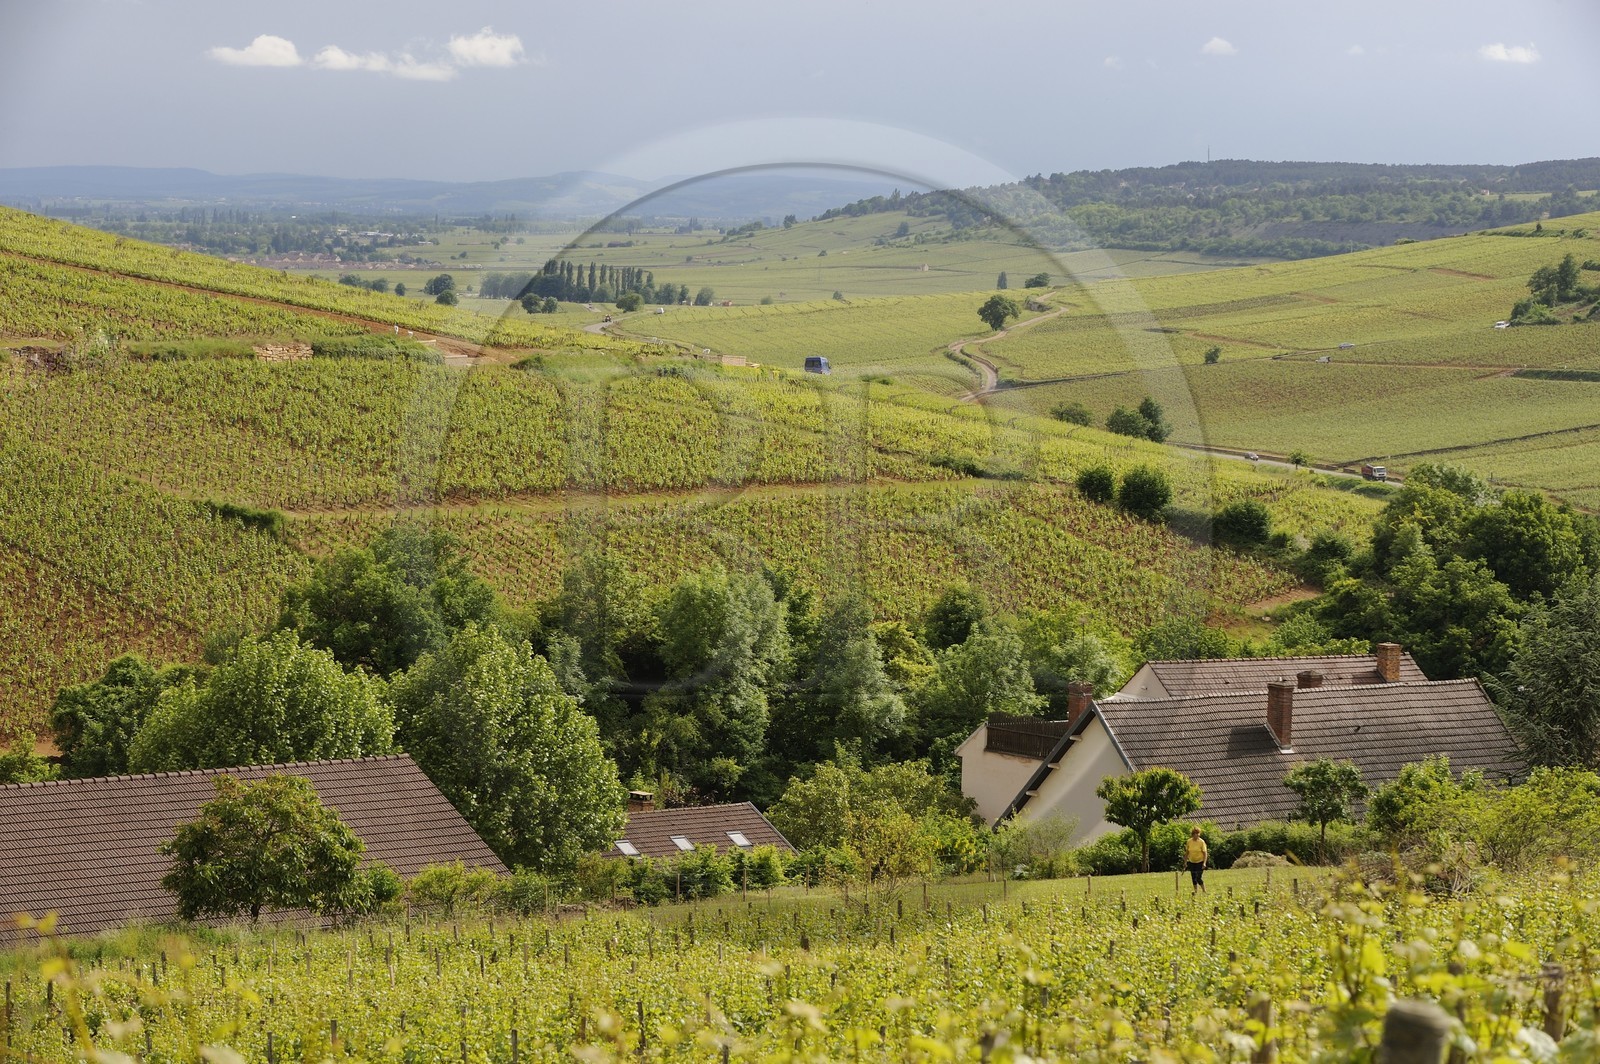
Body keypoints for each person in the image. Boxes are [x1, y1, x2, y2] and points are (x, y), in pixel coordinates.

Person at [1184, 826, 1208, 895]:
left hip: (1200, 862)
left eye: (1197, 834)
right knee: (1193, 877)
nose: (1196, 835)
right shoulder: (1189, 841)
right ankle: (1195, 891)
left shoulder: (1201, 842)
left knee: (1198, 877)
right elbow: (1187, 852)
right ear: (1192, 834)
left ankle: (1204, 890)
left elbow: (1205, 853)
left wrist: (1204, 863)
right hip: (1192, 861)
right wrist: (1185, 862)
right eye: (1195, 834)